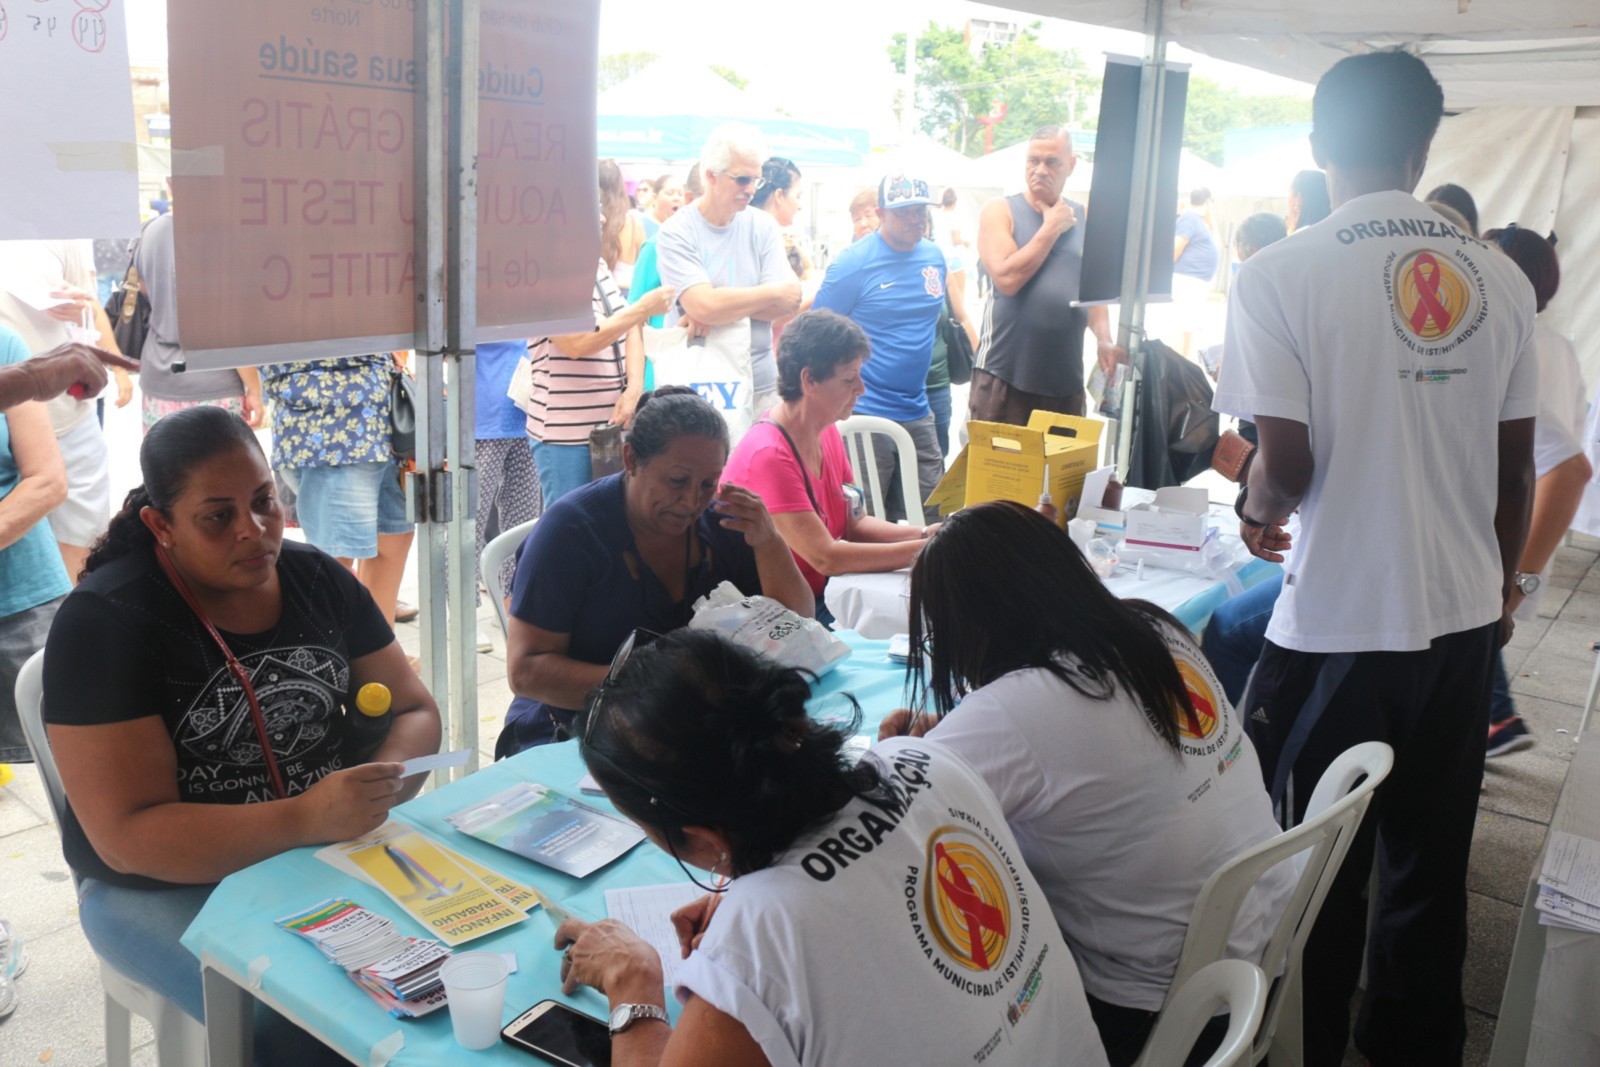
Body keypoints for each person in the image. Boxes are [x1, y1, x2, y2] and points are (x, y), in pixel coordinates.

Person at [1214, 51, 1538, 1065]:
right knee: (1429, 871)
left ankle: (1303, 1048)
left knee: (1309, 873)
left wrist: (1253, 505)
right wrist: (1500, 592)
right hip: (1460, 623)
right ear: (1422, 147)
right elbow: (1515, 470)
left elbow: (1287, 466)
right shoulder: (1499, 277)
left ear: (1318, 146)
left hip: (1338, 624)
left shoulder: (1278, 272)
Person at [40, 406, 440, 1053]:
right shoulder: (105, 622)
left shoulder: (318, 579)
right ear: (161, 525)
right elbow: (127, 837)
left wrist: (379, 786)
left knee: (447, 973)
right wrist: (305, 818)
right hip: (162, 884)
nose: (253, 531)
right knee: (303, 1027)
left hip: (323, 847)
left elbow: (415, 710)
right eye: (217, 516)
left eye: (263, 501)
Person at [553, 628, 1110, 1067]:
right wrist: (755, 891)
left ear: (702, 838)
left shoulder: (759, 938)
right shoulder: (922, 757)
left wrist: (633, 984)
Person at [880, 501, 1294, 1065]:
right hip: (1265, 937)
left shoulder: (1015, 711)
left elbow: (885, 825)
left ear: (971, 627)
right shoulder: (1152, 627)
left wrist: (896, 750)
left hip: (1162, 1006)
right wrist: (953, 733)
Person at [500, 388, 810, 756]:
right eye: (677, 480)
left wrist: (769, 542)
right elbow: (526, 672)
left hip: (684, 729)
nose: (692, 501)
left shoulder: (722, 522)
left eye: (708, 484)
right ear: (630, 459)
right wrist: (663, 686)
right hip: (569, 732)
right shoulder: (569, 533)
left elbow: (798, 620)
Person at [722, 310, 935, 620]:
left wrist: (924, 534)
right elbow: (826, 557)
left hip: (825, 592)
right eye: (849, 379)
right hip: (779, 613)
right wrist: (929, 549)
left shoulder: (826, 431)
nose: (861, 388)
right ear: (809, 380)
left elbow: (854, 523)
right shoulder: (768, 454)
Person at [1479, 226, 1588, 756]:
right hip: (1532, 521)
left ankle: (1498, 719)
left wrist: (1516, 582)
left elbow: (1568, 465)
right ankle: (1493, 718)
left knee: (1480, 632)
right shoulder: (1561, 346)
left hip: (1509, 520)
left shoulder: (1505, 339)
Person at [812, 174, 947, 524]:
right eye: (904, 212)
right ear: (881, 213)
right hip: (864, 409)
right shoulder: (853, 263)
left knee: (931, 515)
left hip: (918, 408)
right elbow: (816, 331)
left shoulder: (934, 256)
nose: (915, 219)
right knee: (866, 517)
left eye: (920, 211)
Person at [971, 125, 1123, 423]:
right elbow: (1007, 279)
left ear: (1071, 165)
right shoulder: (1001, 210)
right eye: (1033, 160)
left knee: (1065, 457)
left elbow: (1094, 294)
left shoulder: (1085, 217)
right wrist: (1052, 227)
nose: (1040, 170)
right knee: (998, 457)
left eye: (1052, 162)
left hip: (1065, 384)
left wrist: (1104, 339)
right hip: (1004, 378)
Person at [0, 239, 131, 583]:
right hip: (13, 419)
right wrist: (29, 378)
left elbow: (89, 305)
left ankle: (73, 611)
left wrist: (81, 312)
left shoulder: (55, 233)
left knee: (80, 543)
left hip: (69, 416)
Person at [656, 125, 802, 418]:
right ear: (711, 175)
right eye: (742, 179)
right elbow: (705, 305)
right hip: (697, 387)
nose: (751, 189)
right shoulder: (676, 231)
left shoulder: (762, 225)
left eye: (756, 180)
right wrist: (769, 292)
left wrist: (717, 308)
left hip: (760, 385)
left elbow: (789, 301)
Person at [258, 354, 416, 624]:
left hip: (383, 413)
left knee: (394, 538)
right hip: (329, 418)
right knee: (336, 556)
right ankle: (330, 647)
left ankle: (381, 643)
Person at [525, 261, 668, 508]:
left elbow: (630, 327)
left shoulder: (597, 264)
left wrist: (634, 389)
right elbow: (577, 343)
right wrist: (642, 308)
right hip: (566, 435)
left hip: (609, 429)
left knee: (608, 516)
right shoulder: (544, 271)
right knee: (572, 521)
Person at [133, 210, 265, 434]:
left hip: (158, 379)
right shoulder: (224, 234)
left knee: (166, 455)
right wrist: (254, 388)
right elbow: (230, 326)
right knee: (217, 457)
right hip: (215, 383)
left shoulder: (149, 231)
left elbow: (143, 290)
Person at [474, 337, 543, 643]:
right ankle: (462, 612)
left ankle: (512, 605)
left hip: (527, 414)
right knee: (468, 521)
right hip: (483, 416)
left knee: (522, 523)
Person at [750, 157, 812, 282]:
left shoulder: (777, 237)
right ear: (779, 195)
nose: (800, 206)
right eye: (798, 196)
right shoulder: (764, 238)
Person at [601, 159, 648, 294]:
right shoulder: (633, 223)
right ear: (620, 187)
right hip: (625, 295)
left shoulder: (587, 224)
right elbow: (644, 267)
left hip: (596, 296)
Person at [638, 173, 684, 242]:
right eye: (670, 193)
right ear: (655, 198)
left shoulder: (684, 231)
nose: (677, 198)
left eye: (680, 194)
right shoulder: (640, 226)